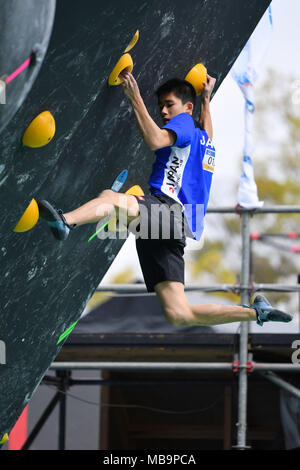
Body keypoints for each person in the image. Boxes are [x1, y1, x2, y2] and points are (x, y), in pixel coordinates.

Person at [38, 71, 293, 327]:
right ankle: (256, 312)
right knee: (179, 314)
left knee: (111, 199)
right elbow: (206, 127)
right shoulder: (205, 141)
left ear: (187, 108)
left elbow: (156, 139)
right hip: (173, 227)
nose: (163, 111)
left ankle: (65, 221)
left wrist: (134, 96)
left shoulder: (183, 122)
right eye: (161, 106)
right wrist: (206, 98)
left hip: (169, 213)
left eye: (169, 104)